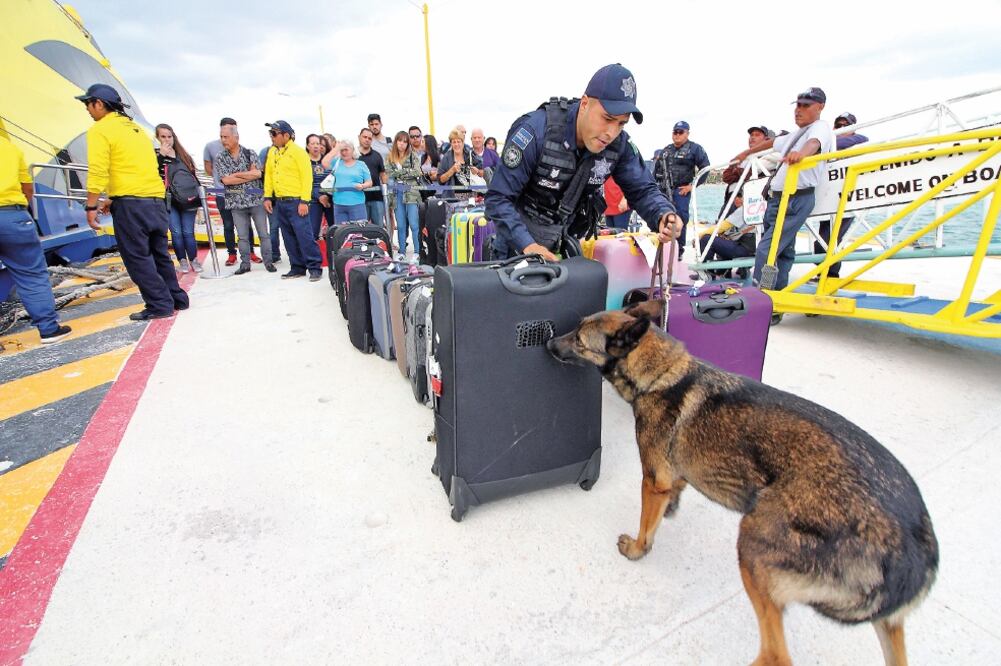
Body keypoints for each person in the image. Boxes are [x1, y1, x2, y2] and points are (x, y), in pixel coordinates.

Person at [485, 63, 682, 261]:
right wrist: (528, 246)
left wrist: (663, 214)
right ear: (585, 103)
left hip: (565, 243)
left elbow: (643, 190)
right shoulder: (534, 132)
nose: (611, 132)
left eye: (621, 123)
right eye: (607, 118)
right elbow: (498, 198)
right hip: (516, 248)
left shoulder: (620, 145)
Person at [77, 83, 189, 319]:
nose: (87, 109)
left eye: (88, 103)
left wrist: (91, 205)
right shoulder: (137, 131)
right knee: (160, 254)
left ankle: (159, 305)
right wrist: (112, 197)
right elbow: (141, 168)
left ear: (99, 104)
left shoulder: (100, 130)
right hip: (155, 202)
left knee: (137, 257)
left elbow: (98, 170)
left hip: (131, 206)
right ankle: (177, 298)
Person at [732, 86, 836, 301]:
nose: (798, 110)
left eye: (806, 105)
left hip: (795, 198)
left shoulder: (820, 128)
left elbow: (814, 144)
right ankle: (777, 298)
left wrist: (801, 154)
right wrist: (748, 152)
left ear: (820, 107)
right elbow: (774, 142)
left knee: (766, 251)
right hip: (778, 198)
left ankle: (762, 298)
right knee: (784, 252)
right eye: (797, 105)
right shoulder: (797, 133)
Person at [0, 135, 71, 343]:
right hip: (12, 216)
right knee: (31, 275)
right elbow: (27, 188)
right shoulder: (9, 147)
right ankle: (48, 329)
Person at [811, 112, 871, 279]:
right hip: (829, 197)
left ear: (853, 128)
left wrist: (828, 141)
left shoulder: (858, 142)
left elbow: (860, 139)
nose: (841, 128)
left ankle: (831, 274)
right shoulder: (831, 145)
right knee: (822, 239)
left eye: (846, 125)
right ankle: (823, 272)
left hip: (848, 198)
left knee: (830, 239)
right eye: (838, 125)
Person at [262, 120, 323, 281]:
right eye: (271, 133)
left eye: (274, 133)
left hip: (297, 201)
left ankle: (315, 267)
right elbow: (268, 175)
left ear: (286, 135)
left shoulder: (298, 152)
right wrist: (268, 196)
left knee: (305, 235)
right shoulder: (272, 152)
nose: (272, 137)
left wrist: (304, 201)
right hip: (280, 201)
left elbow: (307, 177)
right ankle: (297, 267)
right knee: (288, 236)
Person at [214, 124, 274, 274]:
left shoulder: (249, 153)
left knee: (263, 234)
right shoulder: (220, 158)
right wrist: (247, 173)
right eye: (221, 137)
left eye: (226, 137)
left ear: (236, 137)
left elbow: (258, 174)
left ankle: (269, 262)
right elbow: (226, 181)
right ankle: (245, 264)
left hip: (256, 200)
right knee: (242, 236)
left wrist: (236, 175)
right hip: (235, 202)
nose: (223, 140)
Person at [204, 118, 259, 266]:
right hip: (222, 193)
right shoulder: (210, 147)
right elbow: (208, 170)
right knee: (228, 225)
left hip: (242, 193)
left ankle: (251, 252)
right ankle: (232, 254)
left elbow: (252, 172)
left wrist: (235, 177)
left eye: (233, 129)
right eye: (226, 130)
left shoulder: (243, 149)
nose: (228, 135)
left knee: (246, 225)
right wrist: (222, 177)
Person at [653, 121, 710, 257]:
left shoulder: (695, 149)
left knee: (680, 218)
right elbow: (657, 171)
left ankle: (678, 249)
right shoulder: (666, 150)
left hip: (681, 190)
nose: (677, 135)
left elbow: (706, 169)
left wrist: (692, 186)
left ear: (687, 133)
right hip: (664, 189)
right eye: (675, 132)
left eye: (681, 132)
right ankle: (662, 247)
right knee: (663, 216)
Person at [154, 123, 201, 274]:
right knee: (176, 232)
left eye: (169, 136)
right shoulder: (155, 156)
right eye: (163, 136)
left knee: (188, 231)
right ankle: (182, 260)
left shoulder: (184, 156)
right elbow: (152, 175)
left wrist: (200, 200)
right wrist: (161, 155)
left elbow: (194, 177)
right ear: (157, 138)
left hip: (188, 199)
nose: (167, 140)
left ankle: (194, 259)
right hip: (169, 199)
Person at [385, 130, 424, 259]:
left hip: (412, 193)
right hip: (397, 194)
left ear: (408, 144)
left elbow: (417, 172)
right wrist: (406, 172)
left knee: (414, 224)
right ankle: (402, 251)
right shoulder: (390, 157)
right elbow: (390, 173)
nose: (402, 144)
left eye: (405, 141)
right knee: (400, 225)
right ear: (396, 142)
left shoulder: (413, 156)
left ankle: (417, 252)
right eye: (399, 141)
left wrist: (400, 172)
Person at [699, 190, 755, 279]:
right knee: (724, 240)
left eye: (740, 196)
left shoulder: (744, 209)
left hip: (744, 250)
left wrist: (701, 234)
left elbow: (722, 226)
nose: (737, 199)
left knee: (706, 239)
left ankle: (707, 273)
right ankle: (724, 271)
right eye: (736, 197)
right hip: (754, 251)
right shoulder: (759, 209)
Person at [330, 140, 372, 224]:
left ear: (352, 150)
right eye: (342, 150)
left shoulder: (361, 164)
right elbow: (324, 163)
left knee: (358, 233)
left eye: (346, 150)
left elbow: (369, 182)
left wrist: (362, 186)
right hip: (338, 203)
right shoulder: (336, 163)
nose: (344, 152)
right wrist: (336, 148)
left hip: (357, 203)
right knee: (341, 233)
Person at [357, 128, 387, 227]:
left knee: (378, 228)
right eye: (364, 137)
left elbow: (383, 174)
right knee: (361, 229)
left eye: (369, 138)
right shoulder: (354, 156)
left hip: (376, 198)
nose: (367, 140)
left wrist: (387, 193)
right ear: (359, 137)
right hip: (359, 199)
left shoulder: (377, 155)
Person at [305, 133, 332, 240]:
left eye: (318, 143)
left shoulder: (327, 161)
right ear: (308, 146)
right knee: (313, 232)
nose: (316, 146)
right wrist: (318, 196)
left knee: (335, 229)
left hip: (329, 198)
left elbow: (332, 179)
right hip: (313, 200)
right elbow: (305, 183)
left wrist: (326, 195)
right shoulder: (304, 162)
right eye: (313, 144)